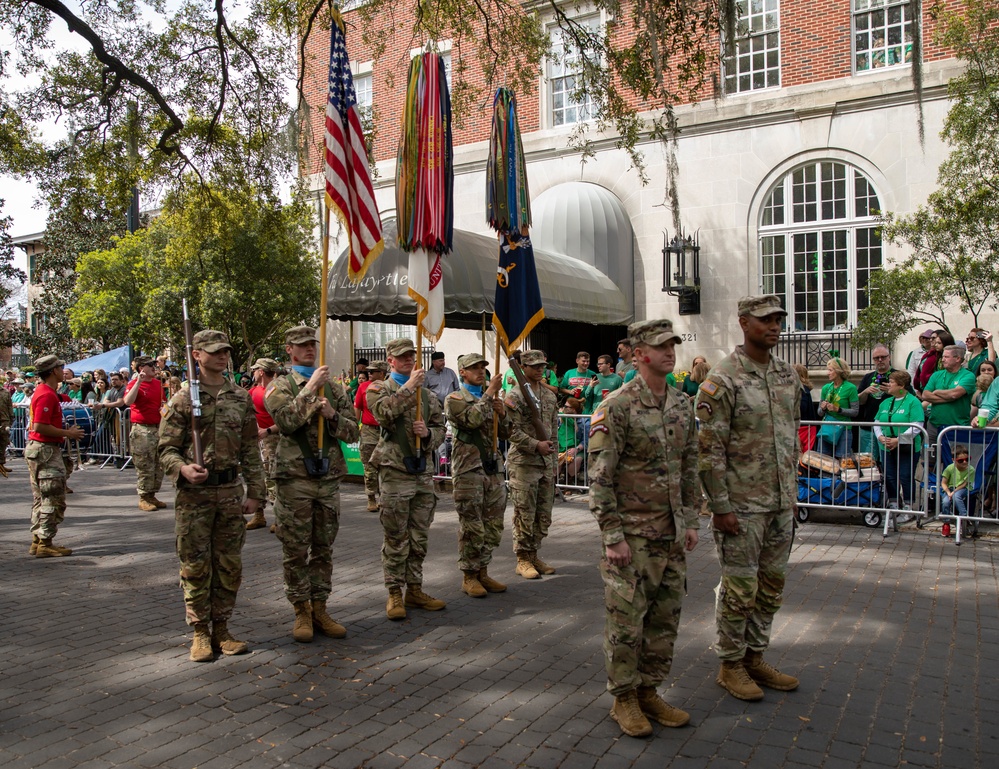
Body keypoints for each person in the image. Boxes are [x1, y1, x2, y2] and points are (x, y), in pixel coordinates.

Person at [587, 318, 699, 737]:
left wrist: (689, 519)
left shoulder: (680, 403)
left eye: (672, 344)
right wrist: (612, 535)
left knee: (664, 621)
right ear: (638, 354)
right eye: (660, 346)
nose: (670, 352)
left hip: (670, 536)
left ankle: (649, 690)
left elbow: (689, 465)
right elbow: (600, 476)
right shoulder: (616, 404)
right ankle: (624, 698)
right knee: (626, 624)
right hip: (632, 538)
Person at [696, 295, 800, 702]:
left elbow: (788, 437)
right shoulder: (722, 379)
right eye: (765, 320)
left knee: (771, 586)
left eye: (778, 319)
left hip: (779, 503)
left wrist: (790, 494)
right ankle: (730, 664)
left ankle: (756, 657)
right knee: (739, 590)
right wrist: (720, 505)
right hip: (741, 505)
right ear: (743, 322)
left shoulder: (786, 375)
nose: (773, 326)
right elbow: (708, 450)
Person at [158, 330, 265, 662]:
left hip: (230, 493)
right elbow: (165, 450)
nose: (222, 356)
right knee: (195, 564)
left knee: (229, 564)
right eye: (215, 351)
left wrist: (256, 492)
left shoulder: (240, 397)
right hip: (194, 496)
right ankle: (200, 632)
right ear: (197, 355)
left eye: (226, 351)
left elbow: (250, 448)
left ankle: (222, 627)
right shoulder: (181, 400)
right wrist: (183, 469)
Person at [264, 325, 360, 641]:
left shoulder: (334, 388)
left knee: (323, 548)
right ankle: (301, 611)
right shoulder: (279, 386)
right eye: (302, 345)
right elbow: (286, 422)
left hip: (327, 477)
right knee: (295, 548)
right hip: (294, 479)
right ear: (289, 349)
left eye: (311, 344)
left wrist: (332, 414)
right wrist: (309, 389)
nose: (309, 349)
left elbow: (353, 432)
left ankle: (320, 608)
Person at [366, 338, 447, 620]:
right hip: (394, 471)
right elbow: (383, 413)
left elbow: (440, 428)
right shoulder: (379, 388)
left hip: (421, 471)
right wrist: (409, 386)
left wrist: (427, 434)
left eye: (411, 357)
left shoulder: (427, 395)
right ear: (390, 361)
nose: (408, 362)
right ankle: (393, 593)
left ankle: (414, 589)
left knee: (419, 536)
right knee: (396, 536)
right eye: (402, 358)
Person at [444, 353, 511, 598]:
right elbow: (470, 421)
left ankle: (483, 569)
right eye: (474, 368)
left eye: (483, 367)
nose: (480, 371)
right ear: (462, 371)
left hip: (492, 468)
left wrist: (502, 413)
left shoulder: (490, 398)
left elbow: (505, 433)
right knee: (472, 525)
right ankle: (469, 575)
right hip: (468, 469)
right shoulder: (454, 398)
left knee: (493, 524)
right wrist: (488, 395)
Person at [505, 349, 559, 580]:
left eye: (542, 366)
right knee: (524, 513)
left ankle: (534, 553)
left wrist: (553, 460)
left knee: (542, 514)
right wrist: (535, 444)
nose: (539, 369)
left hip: (545, 463)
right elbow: (510, 430)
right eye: (534, 366)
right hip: (524, 463)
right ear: (523, 367)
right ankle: (522, 559)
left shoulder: (549, 396)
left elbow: (553, 429)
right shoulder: (515, 396)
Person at [25, 355, 85, 557]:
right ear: (53, 371)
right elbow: (40, 426)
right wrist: (68, 433)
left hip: (41, 449)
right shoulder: (47, 394)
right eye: (61, 367)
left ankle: (38, 539)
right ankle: (45, 542)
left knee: (41, 498)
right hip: (46, 450)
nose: (63, 371)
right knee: (53, 498)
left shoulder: (46, 392)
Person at [874, 371, 923, 510]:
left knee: (905, 476)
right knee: (889, 476)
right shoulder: (885, 402)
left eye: (891, 382)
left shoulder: (913, 402)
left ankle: (908, 506)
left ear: (901, 385)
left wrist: (898, 440)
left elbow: (917, 425)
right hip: (886, 446)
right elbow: (877, 421)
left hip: (907, 446)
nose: (888, 384)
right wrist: (880, 437)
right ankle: (894, 504)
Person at [124, 355, 166, 511]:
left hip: (157, 427)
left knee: (158, 464)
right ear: (142, 368)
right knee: (145, 464)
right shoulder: (134, 384)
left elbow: (163, 404)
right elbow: (127, 401)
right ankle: (143, 497)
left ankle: (152, 494)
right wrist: (139, 382)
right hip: (142, 430)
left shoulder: (157, 384)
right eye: (150, 365)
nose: (154, 368)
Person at [246, 358, 281, 531]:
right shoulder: (253, 391)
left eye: (255, 369)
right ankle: (259, 514)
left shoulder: (276, 391)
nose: (253, 372)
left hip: (273, 440)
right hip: (257, 440)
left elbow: (287, 419)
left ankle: (278, 518)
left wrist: (267, 431)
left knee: (273, 477)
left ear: (261, 371)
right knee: (258, 476)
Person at [921, 345, 977, 444]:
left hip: (956, 427)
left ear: (958, 359)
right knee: (930, 458)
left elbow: (955, 394)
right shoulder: (936, 375)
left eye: (946, 357)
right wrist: (949, 398)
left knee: (954, 458)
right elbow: (925, 395)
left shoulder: (968, 375)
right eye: (943, 357)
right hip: (934, 426)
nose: (942, 360)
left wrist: (937, 392)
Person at [355, 360, 387, 512]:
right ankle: (371, 497)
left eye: (373, 371)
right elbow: (358, 408)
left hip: (385, 430)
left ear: (382, 373)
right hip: (368, 430)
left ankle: (384, 496)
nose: (369, 373)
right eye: (369, 371)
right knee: (369, 466)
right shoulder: (363, 387)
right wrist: (357, 426)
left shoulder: (388, 388)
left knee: (385, 466)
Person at [815, 357, 858, 458]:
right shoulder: (826, 388)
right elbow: (819, 412)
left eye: (830, 370)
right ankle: (825, 475)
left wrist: (838, 410)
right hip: (827, 428)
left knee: (842, 459)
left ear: (838, 371)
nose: (827, 373)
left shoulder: (851, 388)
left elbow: (855, 412)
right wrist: (823, 408)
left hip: (844, 429)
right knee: (823, 459)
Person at [857, 345, 895, 454]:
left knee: (887, 463)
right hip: (869, 427)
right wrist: (866, 392)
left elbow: (908, 396)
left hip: (889, 429)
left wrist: (892, 391)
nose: (880, 360)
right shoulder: (868, 377)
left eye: (883, 357)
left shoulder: (897, 376)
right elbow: (859, 401)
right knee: (868, 462)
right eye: (876, 358)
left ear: (889, 357)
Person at [940, 445, 974, 523]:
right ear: (953, 460)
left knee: (956, 496)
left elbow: (964, 484)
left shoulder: (971, 469)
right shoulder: (949, 468)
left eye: (967, 459)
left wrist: (953, 492)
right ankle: (946, 522)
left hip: (963, 488)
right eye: (961, 460)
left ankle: (963, 517)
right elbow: (943, 483)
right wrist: (949, 493)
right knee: (945, 502)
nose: (965, 462)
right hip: (950, 488)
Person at [792, 364, 818, 454]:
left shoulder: (801, 389)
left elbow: (802, 407)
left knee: (803, 454)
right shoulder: (805, 389)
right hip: (807, 426)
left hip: (804, 428)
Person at [0, 381, 13, 476]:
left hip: (4, 421)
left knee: (3, 443)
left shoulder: (5, 392)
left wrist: (11, 419)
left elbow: (10, 407)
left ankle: (1, 464)